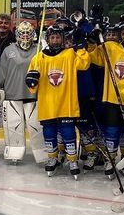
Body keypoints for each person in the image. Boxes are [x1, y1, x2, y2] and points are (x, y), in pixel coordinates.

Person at [25, 23, 91, 178]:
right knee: (49, 133)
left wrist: (81, 47)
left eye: (58, 37)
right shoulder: (39, 57)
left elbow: (84, 64)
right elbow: (31, 83)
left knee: (68, 133)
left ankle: (72, 160)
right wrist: (31, 80)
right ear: (48, 39)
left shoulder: (69, 54)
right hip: (47, 104)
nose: (55, 40)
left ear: (62, 39)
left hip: (66, 103)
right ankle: (52, 158)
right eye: (52, 37)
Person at [89, 19, 124, 179]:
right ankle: (110, 160)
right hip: (113, 98)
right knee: (111, 131)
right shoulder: (111, 48)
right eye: (122, 33)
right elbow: (93, 57)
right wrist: (92, 39)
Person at [0, 21, 42, 162]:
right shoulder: (8, 51)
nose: (26, 36)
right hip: (12, 95)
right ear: (17, 34)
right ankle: (14, 151)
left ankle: (42, 151)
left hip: (33, 95)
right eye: (23, 33)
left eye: (28, 33)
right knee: (14, 126)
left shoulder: (39, 49)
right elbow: (1, 72)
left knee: (36, 127)